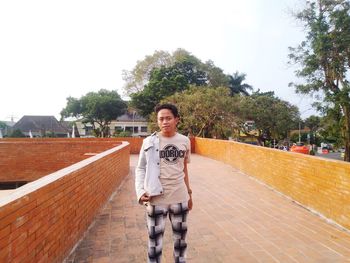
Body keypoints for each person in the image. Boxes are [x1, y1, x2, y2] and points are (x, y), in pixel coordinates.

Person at [135, 103, 192, 263]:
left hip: (179, 199)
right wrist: (140, 192)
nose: (165, 122)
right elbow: (140, 169)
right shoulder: (148, 142)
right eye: (161, 119)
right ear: (157, 121)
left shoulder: (185, 141)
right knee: (154, 245)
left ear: (176, 120)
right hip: (156, 200)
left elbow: (184, 169)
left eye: (168, 118)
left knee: (180, 243)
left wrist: (189, 194)